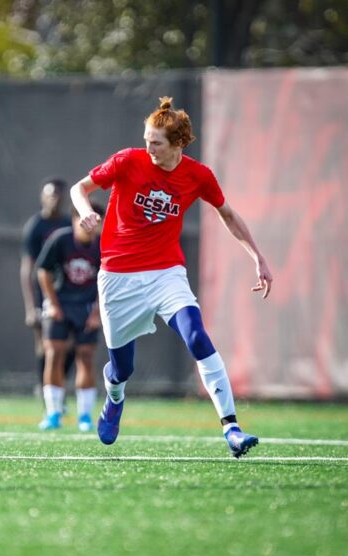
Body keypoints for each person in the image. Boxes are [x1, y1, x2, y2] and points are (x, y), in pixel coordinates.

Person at [70, 97, 273, 458]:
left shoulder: (198, 175)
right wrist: (85, 212)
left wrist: (257, 257)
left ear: (178, 143)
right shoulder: (128, 160)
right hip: (118, 276)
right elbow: (79, 189)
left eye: (157, 143)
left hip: (166, 273)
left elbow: (227, 214)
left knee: (196, 335)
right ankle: (114, 397)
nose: (149, 149)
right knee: (122, 368)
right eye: (147, 140)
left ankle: (232, 428)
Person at [35, 203, 104, 432]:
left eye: (96, 221)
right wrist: (53, 305)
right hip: (61, 304)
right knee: (54, 353)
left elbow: (110, 282)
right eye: (86, 220)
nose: (91, 226)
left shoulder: (104, 245)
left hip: (87, 307)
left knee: (85, 356)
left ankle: (85, 416)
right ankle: (53, 412)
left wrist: (97, 313)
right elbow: (43, 270)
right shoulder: (60, 240)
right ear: (75, 219)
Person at [20, 178, 74, 396]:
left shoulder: (68, 225)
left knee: (70, 345)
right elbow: (28, 269)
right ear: (43, 197)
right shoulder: (36, 226)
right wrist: (30, 307)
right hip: (44, 293)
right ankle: (45, 392)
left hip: (68, 294)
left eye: (58, 195)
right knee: (46, 346)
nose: (54, 199)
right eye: (50, 194)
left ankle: (57, 385)